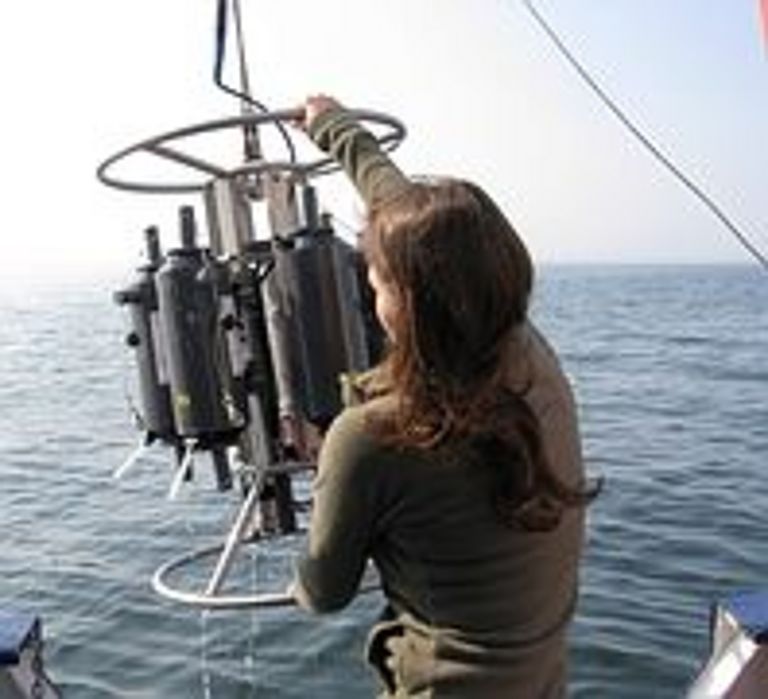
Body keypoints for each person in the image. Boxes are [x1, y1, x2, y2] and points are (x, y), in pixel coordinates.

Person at [291, 95, 597, 698]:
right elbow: (418, 225)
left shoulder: (368, 440)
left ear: (406, 303)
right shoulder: (531, 354)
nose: (372, 295)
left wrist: (333, 474)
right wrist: (334, 127)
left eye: (376, 281)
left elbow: (321, 593)